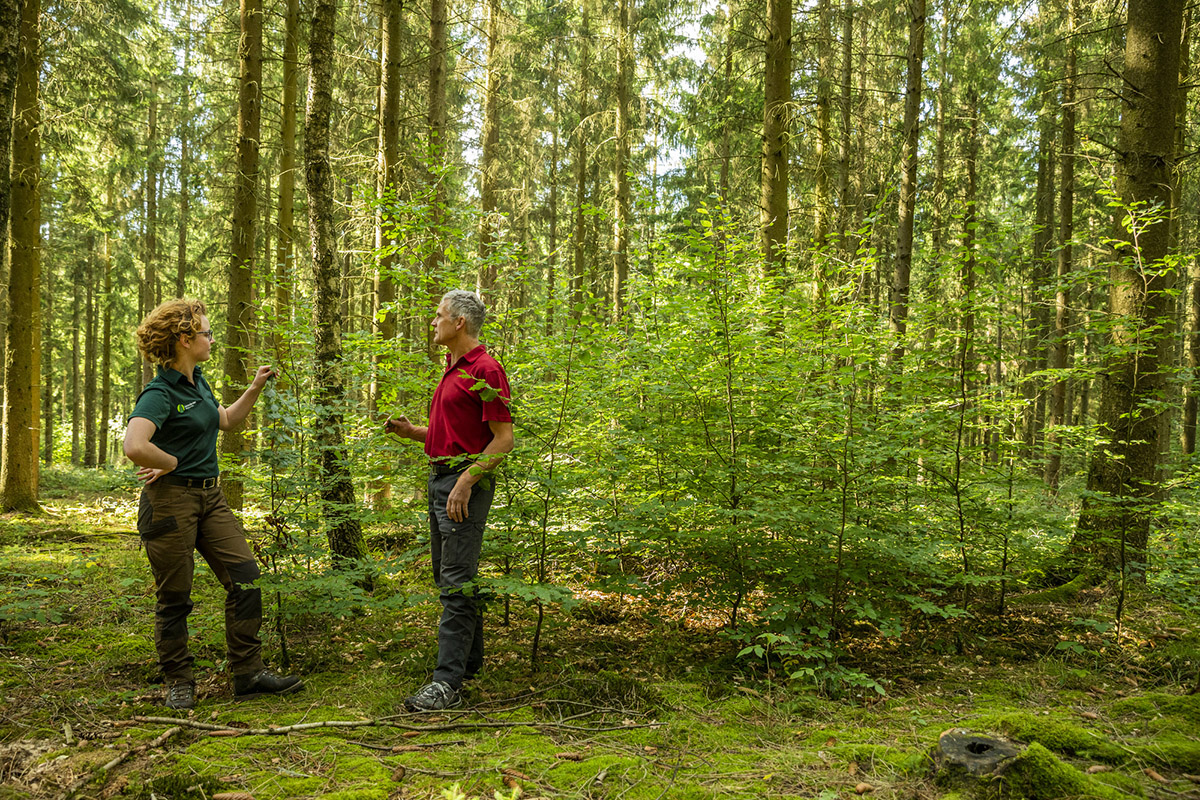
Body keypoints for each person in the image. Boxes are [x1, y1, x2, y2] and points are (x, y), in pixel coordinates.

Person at [123, 298, 303, 710]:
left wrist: (254, 387)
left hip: (211, 497)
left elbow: (224, 420)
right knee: (175, 596)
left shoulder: (198, 381)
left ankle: (248, 673)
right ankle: (179, 681)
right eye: (206, 333)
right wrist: (168, 462)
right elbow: (135, 445)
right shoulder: (159, 391)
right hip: (170, 503)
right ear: (185, 340)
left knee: (246, 578)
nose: (211, 338)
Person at [386, 290, 514, 712]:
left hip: (463, 490)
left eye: (439, 315)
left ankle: (447, 684)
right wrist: (412, 434)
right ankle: (468, 664)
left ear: (459, 322)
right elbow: (451, 439)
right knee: (450, 577)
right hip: (439, 481)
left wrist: (466, 482)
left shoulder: (486, 369)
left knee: (456, 583)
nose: (433, 321)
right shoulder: (451, 370)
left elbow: (503, 440)